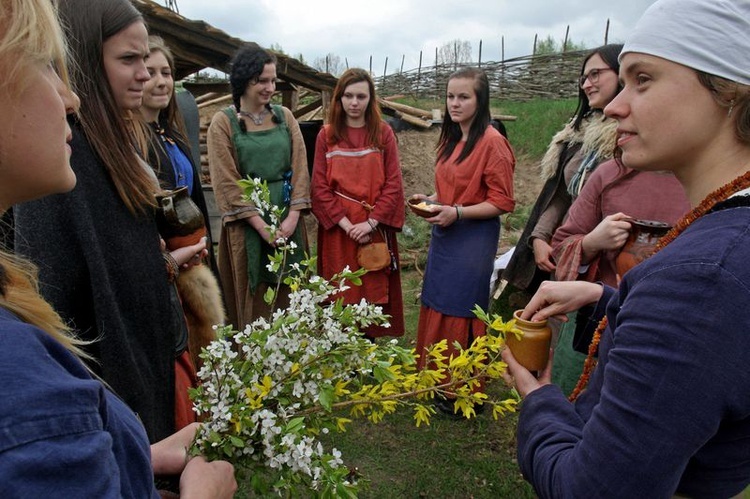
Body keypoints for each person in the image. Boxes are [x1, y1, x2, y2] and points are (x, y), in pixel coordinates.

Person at [503, 0, 750, 497]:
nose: (615, 105)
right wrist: (607, 302)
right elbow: (708, 351)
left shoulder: (704, 275)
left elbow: (592, 489)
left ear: (729, 92)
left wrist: (542, 403)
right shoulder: (727, 246)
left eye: (643, 79)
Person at [0, 0, 236, 495]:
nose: (70, 97)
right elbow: (69, 313)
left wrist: (131, 452)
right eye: (128, 60)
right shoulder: (68, 166)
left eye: (147, 62)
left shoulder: (122, 147)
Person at [412, 67, 515, 413]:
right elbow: (449, 189)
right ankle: (435, 378)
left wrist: (456, 211)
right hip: (446, 232)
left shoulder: (492, 142)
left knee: (461, 305)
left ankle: (461, 388)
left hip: (473, 237)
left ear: (480, 99)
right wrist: (430, 199)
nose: (454, 103)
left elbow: (502, 201)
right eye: (450, 96)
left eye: (463, 97)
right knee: (439, 299)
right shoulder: (451, 137)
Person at [548, 158, 689, 394]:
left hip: (671, 328)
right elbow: (561, 245)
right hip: (594, 319)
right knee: (572, 404)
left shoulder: (719, 185)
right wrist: (591, 243)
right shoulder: (609, 174)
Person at [502, 44, 622, 298]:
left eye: (595, 74)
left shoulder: (630, 138)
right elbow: (560, 194)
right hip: (568, 248)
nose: (587, 84)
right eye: (584, 78)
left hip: (611, 254)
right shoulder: (577, 135)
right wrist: (540, 238)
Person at [207, 44, 311, 329]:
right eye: (261, 80)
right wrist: (262, 227)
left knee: (292, 290)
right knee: (254, 300)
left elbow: (300, 167)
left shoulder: (285, 117)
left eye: (273, 80)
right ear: (244, 80)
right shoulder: (223, 123)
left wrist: (291, 218)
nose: (269, 87)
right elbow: (226, 180)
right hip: (247, 227)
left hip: (287, 220)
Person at [137, 35, 224, 369]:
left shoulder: (171, 135)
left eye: (167, 73)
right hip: (169, 268)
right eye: (152, 72)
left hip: (196, 258)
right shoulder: (130, 145)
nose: (162, 82)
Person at [311, 68, 405, 339]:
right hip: (339, 230)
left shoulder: (383, 134)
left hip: (373, 226)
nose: (354, 103)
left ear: (370, 99)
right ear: (338, 99)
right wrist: (346, 224)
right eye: (348, 96)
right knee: (342, 290)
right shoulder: (326, 136)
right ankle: (341, 349)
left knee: (372, 286)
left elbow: (394, 184)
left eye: (361, 96)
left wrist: (370, 223)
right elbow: (319, 187)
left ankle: (368, 347)